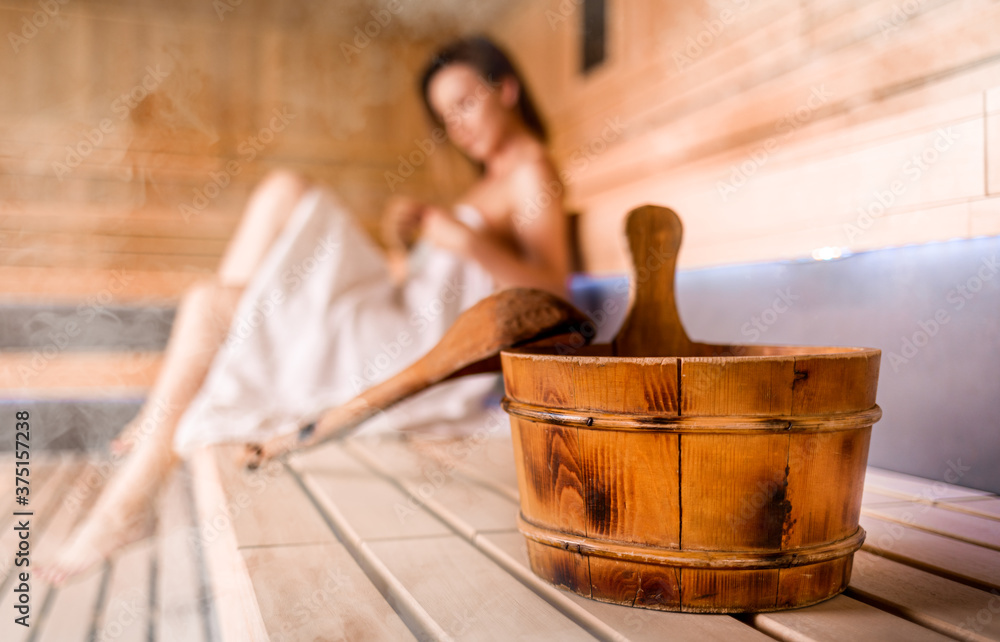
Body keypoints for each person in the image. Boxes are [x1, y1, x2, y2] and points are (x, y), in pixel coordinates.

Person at [36, 35, 571, 586]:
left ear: (505, 89)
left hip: (413, 349)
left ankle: (123, 504)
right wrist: (404, 247)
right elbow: (442, 281)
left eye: (464, 103)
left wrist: (462, 239)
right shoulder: (488, 182)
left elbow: (557, 296)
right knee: (260, 224)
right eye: (444, 115)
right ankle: (137, 473)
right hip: (393, 314)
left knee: (219, 294)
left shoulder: (532, 171)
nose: (457, 125)